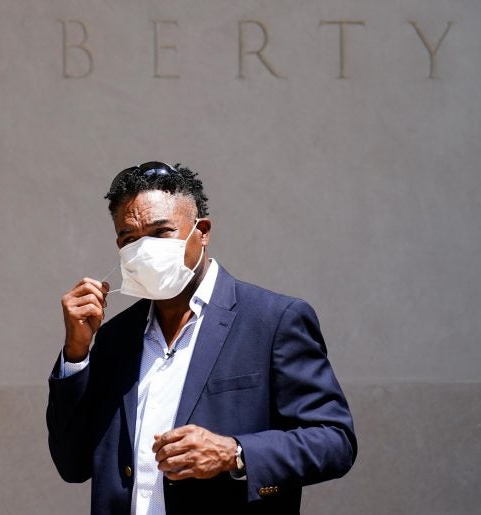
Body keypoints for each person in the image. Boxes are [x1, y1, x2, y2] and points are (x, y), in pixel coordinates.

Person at [47, 161, 356, 515]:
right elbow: (72, 464)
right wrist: (76, 353)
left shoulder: (272, 321)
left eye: (161, 232)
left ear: (202, 231)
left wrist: (234, 453)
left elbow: (335, 441)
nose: (144, 249)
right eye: (129, 239)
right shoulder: (115, 338)